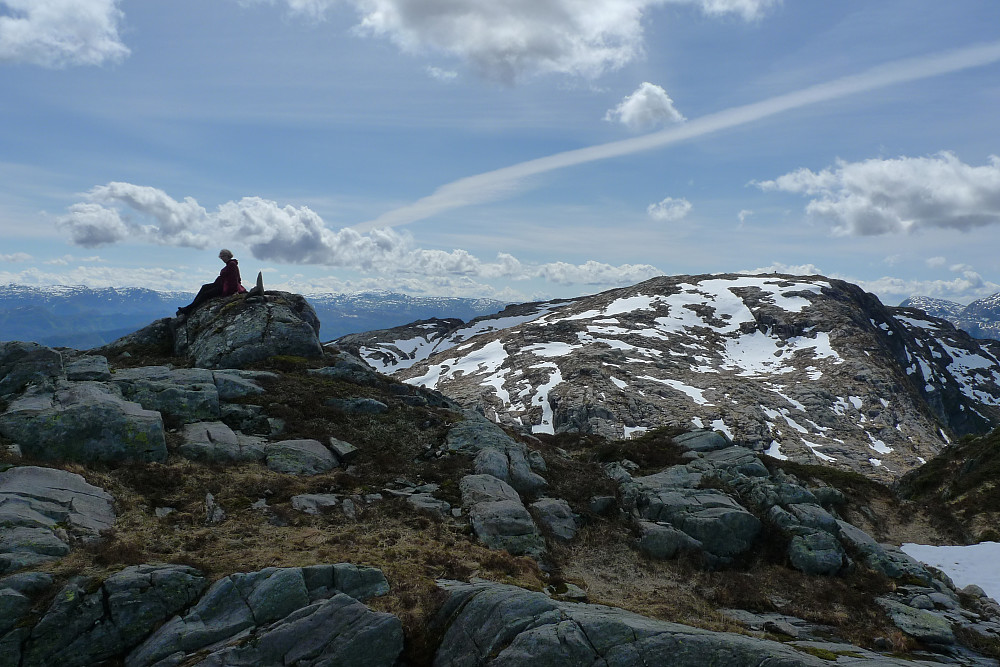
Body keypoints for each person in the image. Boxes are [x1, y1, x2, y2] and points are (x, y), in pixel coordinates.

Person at [176, 249, 247, 317]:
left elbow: (234, 278)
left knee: (206, 294)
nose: (222, 258)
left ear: (228, 255)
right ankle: (191, 306)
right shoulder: (230, 264)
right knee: (204, 287)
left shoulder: (232, 264)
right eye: (221, 257)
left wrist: (234, 291)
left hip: (225, 287)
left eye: (223, 256)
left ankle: (189, 308)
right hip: (221, 284)